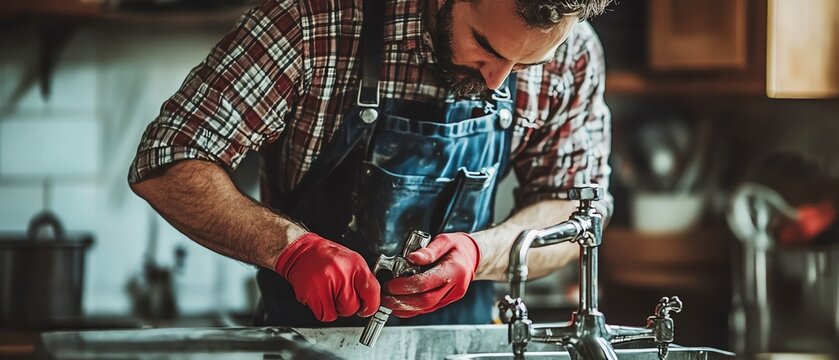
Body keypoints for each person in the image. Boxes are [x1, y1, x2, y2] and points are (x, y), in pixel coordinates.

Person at [128, 0, 614, 327]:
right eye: (485, 47)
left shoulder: (573, 52)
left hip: (460, 345)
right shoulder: (315, 22)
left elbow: (575, 212)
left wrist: (479, 253)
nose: (496, 83)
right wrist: (290, 249)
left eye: (525, 67)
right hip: (303, 342)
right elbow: (168, 159)